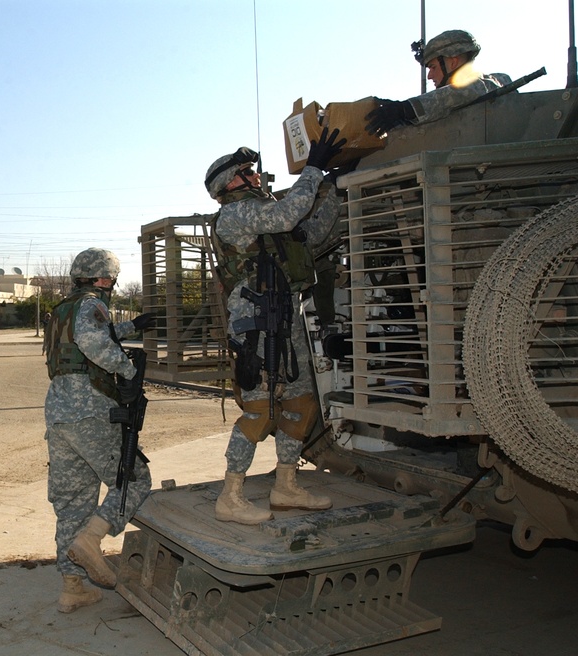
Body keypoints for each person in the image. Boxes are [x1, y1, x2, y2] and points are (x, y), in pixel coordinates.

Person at [205, 129, 345, 525]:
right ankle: (230, 496)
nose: (256, 177)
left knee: (301, 401)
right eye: (248, 172)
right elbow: (287, 215)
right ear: (230, 183)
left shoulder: (265, 217)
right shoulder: (237, 213)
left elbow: (311, 235)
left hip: (285, 312)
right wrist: (313, 169)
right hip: (256, 318)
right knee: (260, 409)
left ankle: (286, 485)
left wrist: (335, 189)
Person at [43, 247, 157, 613]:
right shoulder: (92, 303)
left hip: (59, 413)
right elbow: (94, 342)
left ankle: (72, 587)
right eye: (113, 280)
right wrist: (128, 371)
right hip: (89, 410)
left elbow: (95, 333)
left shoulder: (64, 309)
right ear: (105, 278)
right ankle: (92, 539)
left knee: (74, 501)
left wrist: (132, 326)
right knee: (134, 478)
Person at [366, 29, 512, 136]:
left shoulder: (495, 82)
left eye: (433, 67)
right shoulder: (444, 108)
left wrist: (405, 109)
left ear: (453, 62)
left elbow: (463, 93)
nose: (429, 76)